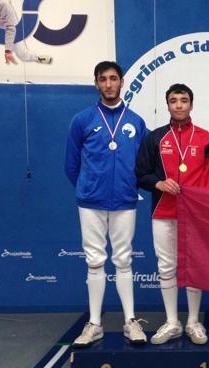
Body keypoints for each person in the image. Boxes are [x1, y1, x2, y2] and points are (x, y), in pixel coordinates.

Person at [65, 61, 149, 347]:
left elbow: (143, 163)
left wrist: (127, 185)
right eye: (103, 79)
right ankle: (95, 324)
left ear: (122, 82)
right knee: (95, 261)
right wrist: (89, 186)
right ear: (96, 83)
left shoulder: (136, 121)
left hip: (125, 200)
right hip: (90, 201)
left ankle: (129, 321)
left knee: (123, 259)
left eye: (114, 79)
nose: (109, 84)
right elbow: (71, 164)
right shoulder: (82, 120)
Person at [135, 84, 209, 345]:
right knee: (166, 266)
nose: (179, 105)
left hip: (195, 214)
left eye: (184, 100)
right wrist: (158, 184)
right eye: (174, 101)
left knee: (194, 266)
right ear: (168, 105)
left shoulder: (206, 138)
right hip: (163, 211)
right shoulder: (155, 138)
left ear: (192, 104)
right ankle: (172, 322)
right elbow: (141, 173)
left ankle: (193, 321)